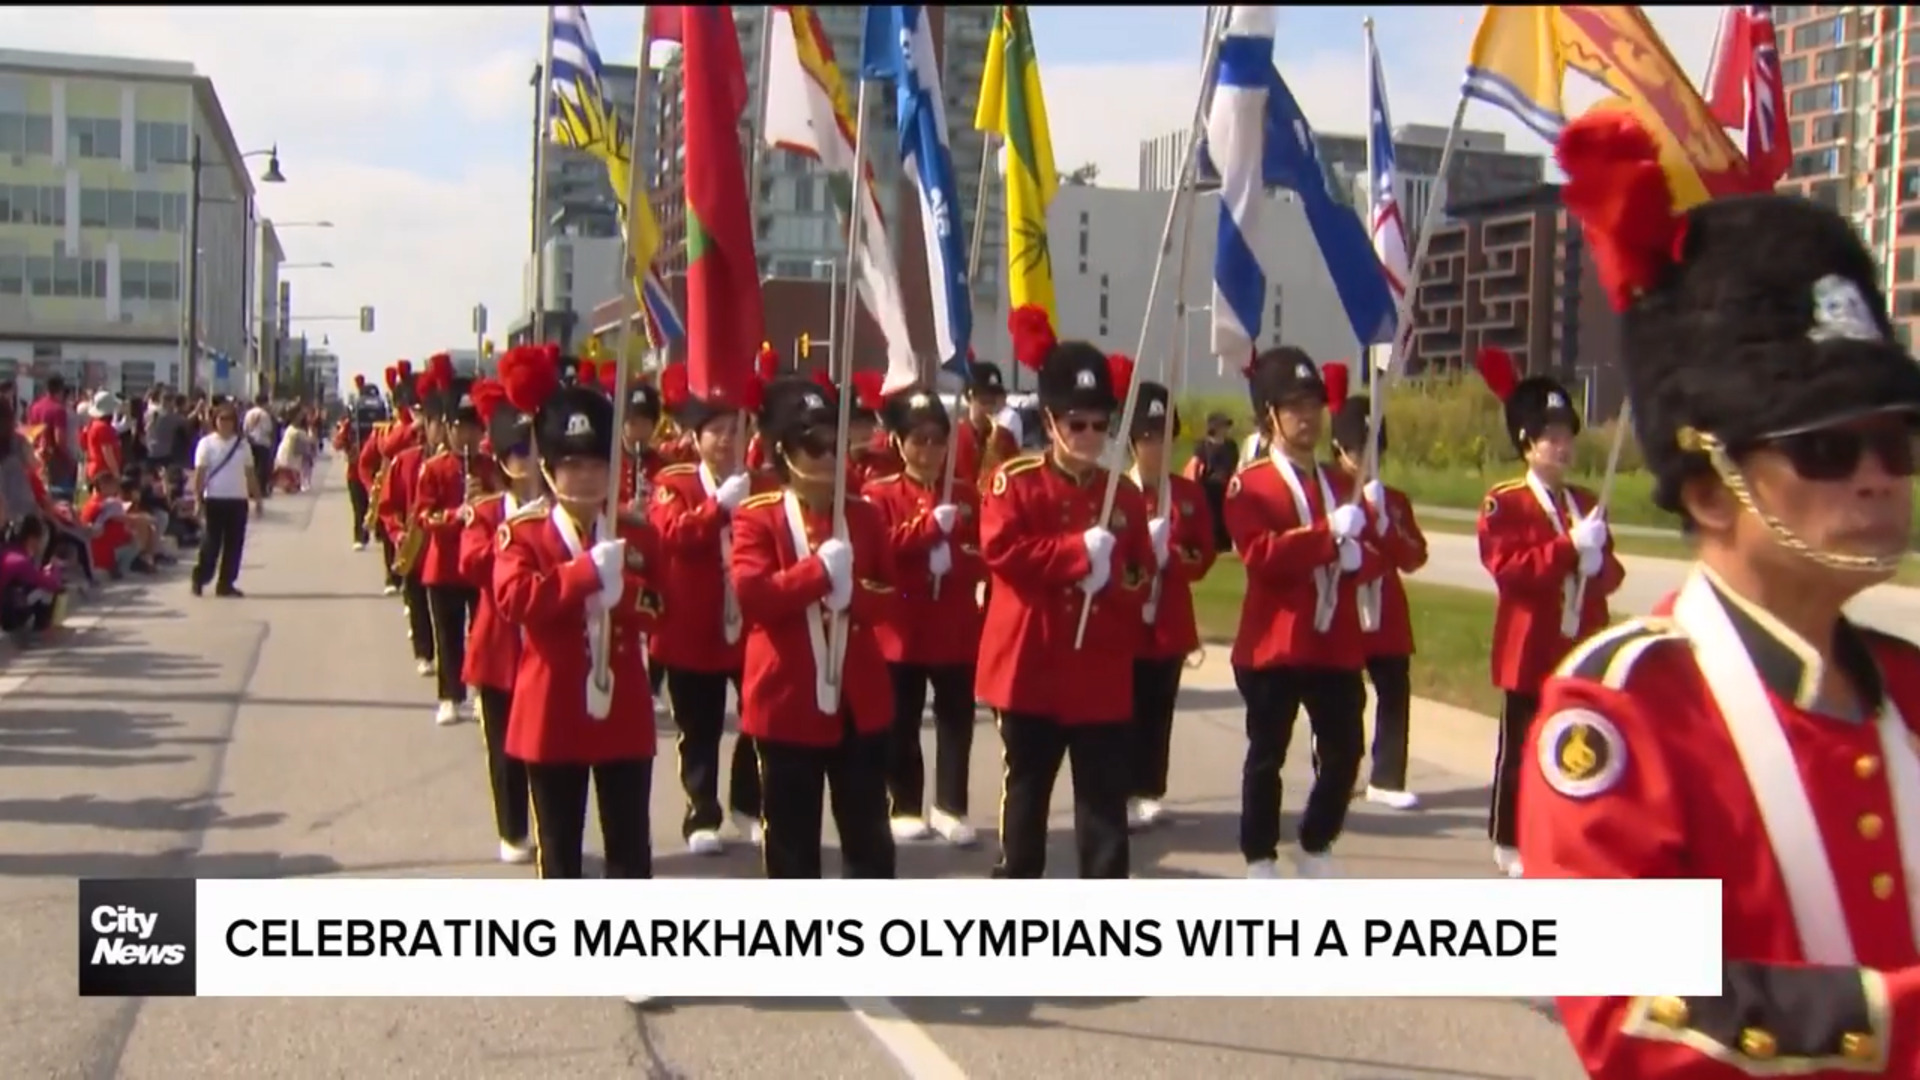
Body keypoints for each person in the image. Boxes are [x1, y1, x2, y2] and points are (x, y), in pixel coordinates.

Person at [1522, 113, 1920, 1077]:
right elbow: (1641, 1018)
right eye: (1825, 449)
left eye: (1897, 444)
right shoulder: (1623, 714)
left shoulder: (1905, 688)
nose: (1876, 477)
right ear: (1710, 488)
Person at [977, 308, 1155, 879]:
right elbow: (1002, 552)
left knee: (1104, 803)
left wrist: (1119, 578)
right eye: (1077, 424)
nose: (1090, 437)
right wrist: (1078, 555)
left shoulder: (1120, 496)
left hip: (1098, 665)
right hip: (1033, 662)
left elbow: (1140, 573)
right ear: (1051, 423)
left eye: (1100, 425)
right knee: (1028, 792)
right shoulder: (1017, 482)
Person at [493, 344, 662, 903]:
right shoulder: (525, 533)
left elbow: (668, 604)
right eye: (574, 465)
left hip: (623, 703)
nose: (587, 477)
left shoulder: (632, 531)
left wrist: (630, 596)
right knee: (561, 843)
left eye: (597, 465)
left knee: (630, 842)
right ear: (549, 467)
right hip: (553, 704)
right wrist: (584, 575)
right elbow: (516, 599)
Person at [1223, 348, 1384, 879]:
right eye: (1294, 406)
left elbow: (1368, 549)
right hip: (1276, 641)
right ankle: (1259, 854)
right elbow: (1262, 557)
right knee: (1267, 753)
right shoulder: (1251, 484)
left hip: (1333, 640)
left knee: (1346, 750)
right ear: (1271, 415)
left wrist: (1360, 557)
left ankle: (1315, 840)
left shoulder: (1342, 484)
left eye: (1313, 404)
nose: (1307, 416)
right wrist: (1325, 537)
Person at [731, 374, 897, 878]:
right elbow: (753, 594)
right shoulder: (758, 517)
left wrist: (857, 598)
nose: (828, 453)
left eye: (832, 439)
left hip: (857, 700)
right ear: (784, 451)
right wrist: (817, 573)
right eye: (813, 443)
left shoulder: (864, 515)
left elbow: (895, 595)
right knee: (791, 843)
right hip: (787, 699)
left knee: (869, 839)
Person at [1473, 346, 1624, 878]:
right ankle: (1507, 839)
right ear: (1527, 444)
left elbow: (1613, 577)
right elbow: (1508, 568)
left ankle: (1562, 836)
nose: (1562, 448)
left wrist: (1597, 556)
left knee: (1576, 748)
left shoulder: (1585, 501)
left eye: (1567, 437)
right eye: (1551, 438)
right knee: (1519, 751)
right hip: (1528, 645)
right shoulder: (1505, 501)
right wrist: (1565, 551)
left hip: (1577, 645)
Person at [648, 363, 773, 856]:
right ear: (696, 437)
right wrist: (717, 508)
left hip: (750, 625)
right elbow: (671, 534)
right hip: (690, 626)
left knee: (759, 717)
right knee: (697, 728)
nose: (727, 440)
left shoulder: (761, 481)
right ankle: (701, 812)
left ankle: (749, 801)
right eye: (716, 432)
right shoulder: (673, 482)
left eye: (736, 429)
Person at [863, 387, 984, 846]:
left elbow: (988, 550)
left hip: (952, 625)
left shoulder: (965, 493)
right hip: (901, 626)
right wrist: (927, 533)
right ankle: (906, 803)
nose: (928, 450)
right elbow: (879, 546)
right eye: (918, 440)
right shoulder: (880, 494)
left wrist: (959, 555)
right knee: (901, 718)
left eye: (937, 439)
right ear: (898, 442)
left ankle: (951, 805)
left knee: (956, 719)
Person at [1327, 382, 1428, 810]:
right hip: (1343, 611)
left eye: (1374, 451)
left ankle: (1387, 776)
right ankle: (1334, 770)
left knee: (1394, 693)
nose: (1367, 461)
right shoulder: (1327, 492)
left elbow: (1414, 556)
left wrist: (1385, 521)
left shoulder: (1394, 500)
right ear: (1338, 449)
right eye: (1357, 451)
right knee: (1341, 699)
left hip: (1386, 614)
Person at [1123, 375, 1217, 829]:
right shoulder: (1115, 492)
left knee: (1159, 708)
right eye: (1146, 438)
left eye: (1163, 437)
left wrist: (1173, 558)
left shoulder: (1188, 494)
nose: (1156, 447)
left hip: (1169, 621)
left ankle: (1148, 788)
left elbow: (1204, 553)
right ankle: (1118, 787)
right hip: (1124, 622)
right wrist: (1141, 560)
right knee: (1124, 707)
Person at [461, 375, 540, 864]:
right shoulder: (487, 511)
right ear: (505, 463)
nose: (531, 463)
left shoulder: (561, 510)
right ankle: (513, 829)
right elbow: (473, 564)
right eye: (521, 455)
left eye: (538, 452)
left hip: (549, 647)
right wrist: (517, 533)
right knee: (504, 749)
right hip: (498, 648)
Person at [414, 372, 497, 726]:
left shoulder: (491, 468)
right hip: (444, 564)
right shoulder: (433, 469)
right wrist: (454, 514)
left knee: (482, 632)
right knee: (448, 634)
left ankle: (482, 691)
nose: (468, 436)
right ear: (448, 430)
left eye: (475, 429)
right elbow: (422, 516)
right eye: (461, 428)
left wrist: (485, 501)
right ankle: (450, 696)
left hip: (480, 564)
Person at [381, 360, 445, 677]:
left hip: (446, 547)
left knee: (446, 613)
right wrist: (397, 534)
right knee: (417, 598)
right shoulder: (406, 460)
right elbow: (388, 504)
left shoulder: (466, 464)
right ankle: (423, 652)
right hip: (415, 542)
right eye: (435, 423)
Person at [189, 402, 258, 598]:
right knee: (211, 543)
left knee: (234, 545)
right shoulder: (207, 444)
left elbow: (250, 474)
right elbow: (200, 473)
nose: (225, 423)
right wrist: (197, 498)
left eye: (229, 419)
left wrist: (257, 498)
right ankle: (200, 577)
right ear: (215, 421)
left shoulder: (242, 445)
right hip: (214, 499)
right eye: (222, 419)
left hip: (237, 500)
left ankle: (226, 583)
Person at [950, 359, 1019, 485]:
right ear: (969, 397)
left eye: (994, 401)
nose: (990, 408)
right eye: (984, 400)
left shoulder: (1006, 438)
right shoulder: (951, 437)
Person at [1, 515, 64, 641]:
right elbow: (51, 584)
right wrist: (54, 570)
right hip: (7, 613)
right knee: (46, 592)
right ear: (32, 539)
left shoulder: (8, 552)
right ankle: (41, 629)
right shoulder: (20, 561)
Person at [1184, 411, 1240, 553]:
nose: (1225, 429)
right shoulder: (1203, 446)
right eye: (1222, 426)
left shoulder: (1231, 446)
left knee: (1227, 518)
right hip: (1209, 488)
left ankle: (1226, 545)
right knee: (1212, 518)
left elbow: (1235, 467)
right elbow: (1195, 467)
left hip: (1227, 488)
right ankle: (1212, 546)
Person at [242, 393, 276, 510]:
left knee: (252, 467)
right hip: (262, 442)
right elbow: (268, 429)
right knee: (262, 468)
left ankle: (250, 490)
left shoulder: (248, 413)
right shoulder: (264, 414)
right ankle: (260, 489)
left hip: (251, 442)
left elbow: (245, 428)